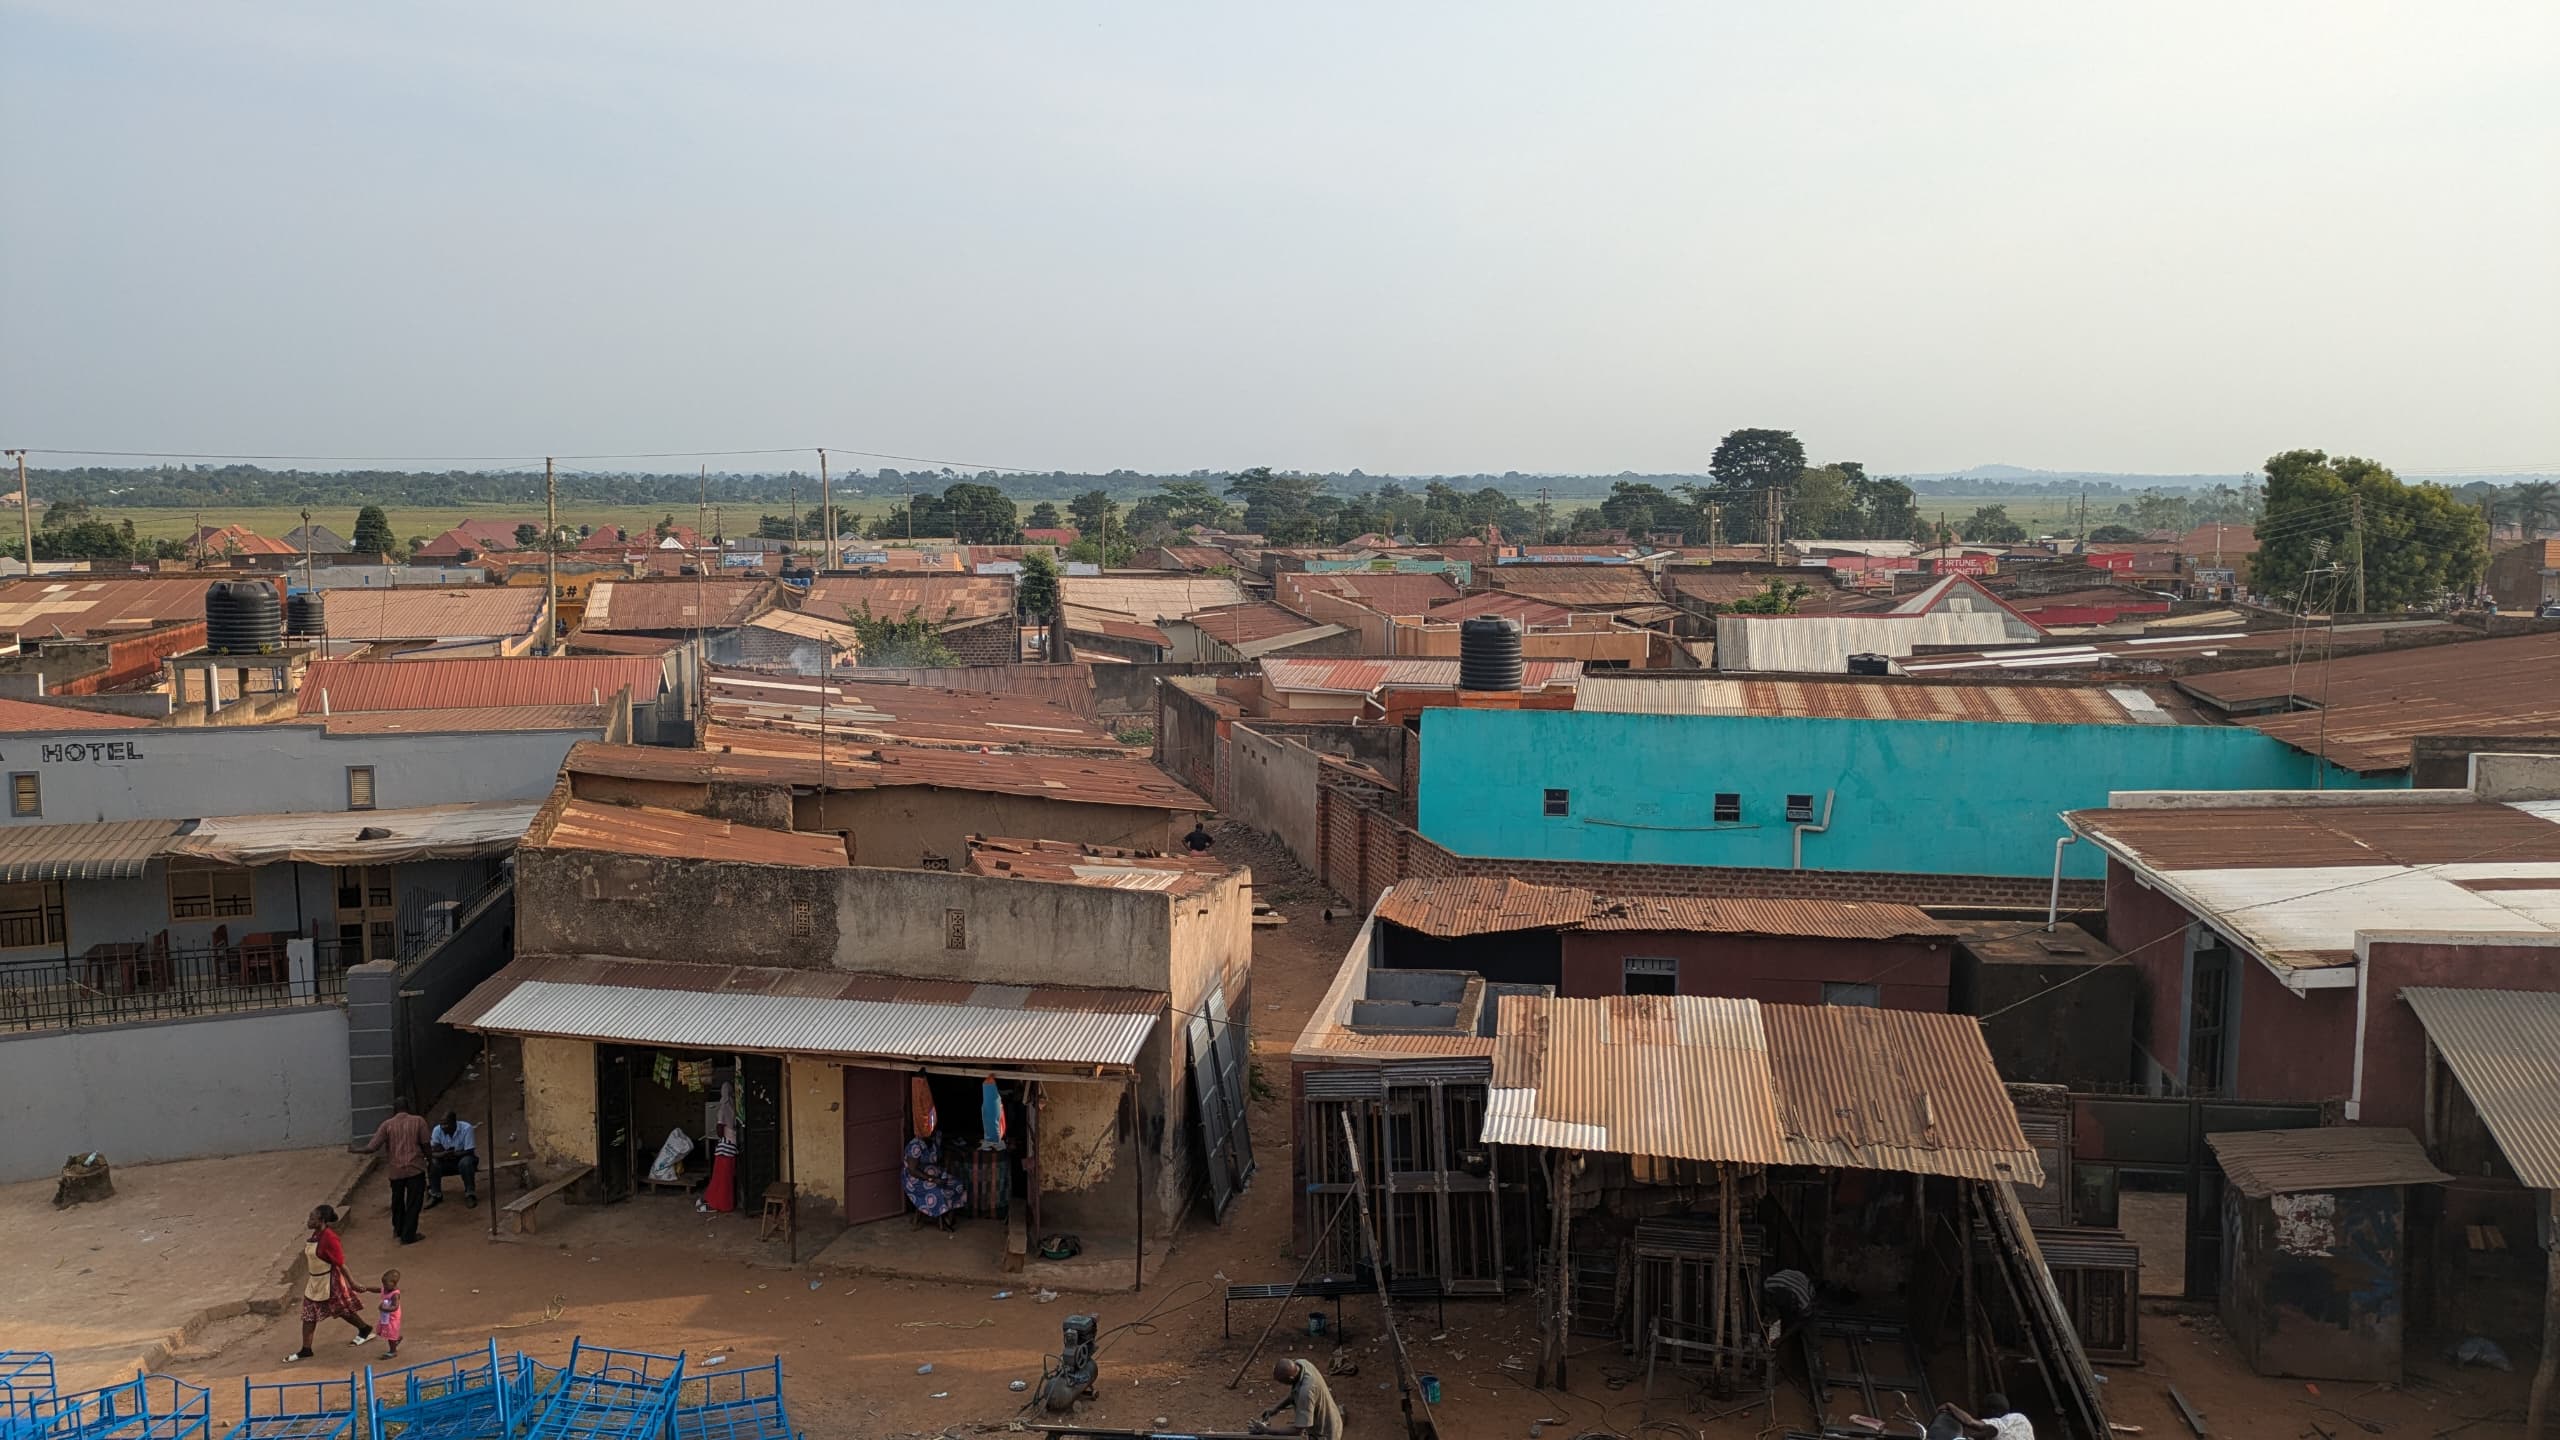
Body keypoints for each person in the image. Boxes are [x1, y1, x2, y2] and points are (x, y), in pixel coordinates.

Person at [287, 1205, 373, 1361]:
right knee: (309, 1314)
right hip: (315, 1280)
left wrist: (352, 1282)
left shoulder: (329, 1238)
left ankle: (365, 1329)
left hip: (329, 1280)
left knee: (341, 1309)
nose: (309, 1220)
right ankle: (306, 1349)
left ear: (321, 1221)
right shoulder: (316, 1235)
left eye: (312, 1218)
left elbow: (340, 1263)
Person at [364, 1096, 431, 1244]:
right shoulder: (419, 1121)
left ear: (394, 1110)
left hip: (396, 1171)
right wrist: (430, 1161)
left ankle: (398, 1229)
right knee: (414, 1202)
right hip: (415, 1168)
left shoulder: (387, 1125)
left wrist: (355, 1150)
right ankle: (408, 1235)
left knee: (397, 1201)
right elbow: (426, 1144)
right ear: (408, 1107)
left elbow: (372, 1147)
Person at [1249, 1358, 1341, 1438]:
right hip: (1326, 1418)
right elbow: (1295, 1393)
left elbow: (1298, 1431)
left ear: (1291, 1378)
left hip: (1325, 1433)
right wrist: (1275, 1409)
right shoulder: (1302, 1363)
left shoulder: (1306, 1392)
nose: (1283, 1384)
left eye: (1283, 1382)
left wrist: (1267, 1431)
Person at [902, 1131, 968, 1232]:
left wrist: (960, 1151)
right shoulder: (915, 1145)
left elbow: (946, 1143)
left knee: (958, 1184)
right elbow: (913, 1170)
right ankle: (941, 1221)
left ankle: (948, 1217)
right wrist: (932, 1179)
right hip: (916, 1180)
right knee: (938, 1191)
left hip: (935, 1174)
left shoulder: (935, 1137)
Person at [426, 1111, 478, 1210]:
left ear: (454, 1122)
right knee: (433, 1163)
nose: (443, 1126)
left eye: (446, 1124)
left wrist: (453, 1154)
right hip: (445, 1160)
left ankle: (470, 1194)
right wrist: (443, 1154)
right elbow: (432, 1151)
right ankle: (436, 1194)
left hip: (463, 1159)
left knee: (466, 1162)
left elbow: (469, 1150)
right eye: (441, 1124)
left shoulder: (466, 1128)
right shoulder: (437, 1130)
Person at [1938, 1393, 2035, 1440]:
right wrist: (1968, 1437)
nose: (1981, 1413)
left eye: (1983, 1409)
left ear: (1993, 1411)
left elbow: (1971, 1422)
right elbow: (1988, 1433)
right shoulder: (2023, 1422)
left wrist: (1950, 1406)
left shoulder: (2014, 1419)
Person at [360, 1269, 404, 1359]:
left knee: (390, 1333)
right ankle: (395, 1340)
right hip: (386, 1315)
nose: (384, 1286)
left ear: (394, 1283)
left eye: (386, 1284)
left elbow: (395, 1306)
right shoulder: (386, 1289)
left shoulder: (395, 1294)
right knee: (388, 1331)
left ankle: (393, 1351)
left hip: (392, 1316)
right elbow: (378, 1289)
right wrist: (367, 1289)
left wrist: (385, 1308)